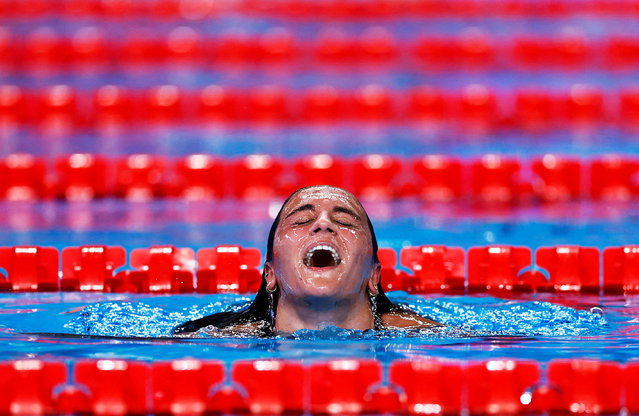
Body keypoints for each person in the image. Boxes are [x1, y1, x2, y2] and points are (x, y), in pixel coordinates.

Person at [173, 185, 439, 336]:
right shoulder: (211, 340)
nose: (323, 224)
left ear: (374, 276)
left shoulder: (435, 339)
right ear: (270, 274)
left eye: (345, 221)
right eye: (301, 220)